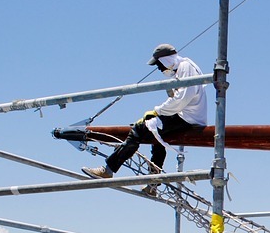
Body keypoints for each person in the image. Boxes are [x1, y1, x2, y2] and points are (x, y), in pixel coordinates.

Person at [82, 44, 208, 193]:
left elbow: (182, 99)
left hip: (187, 118)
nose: (159, 69)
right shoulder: (183, 67)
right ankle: (153, 183)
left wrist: (157, 111)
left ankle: (108, 170)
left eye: (159, 64)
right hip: (188, 116)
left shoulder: (185, 67)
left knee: (140, 127)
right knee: (156, 137)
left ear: (166, 60)